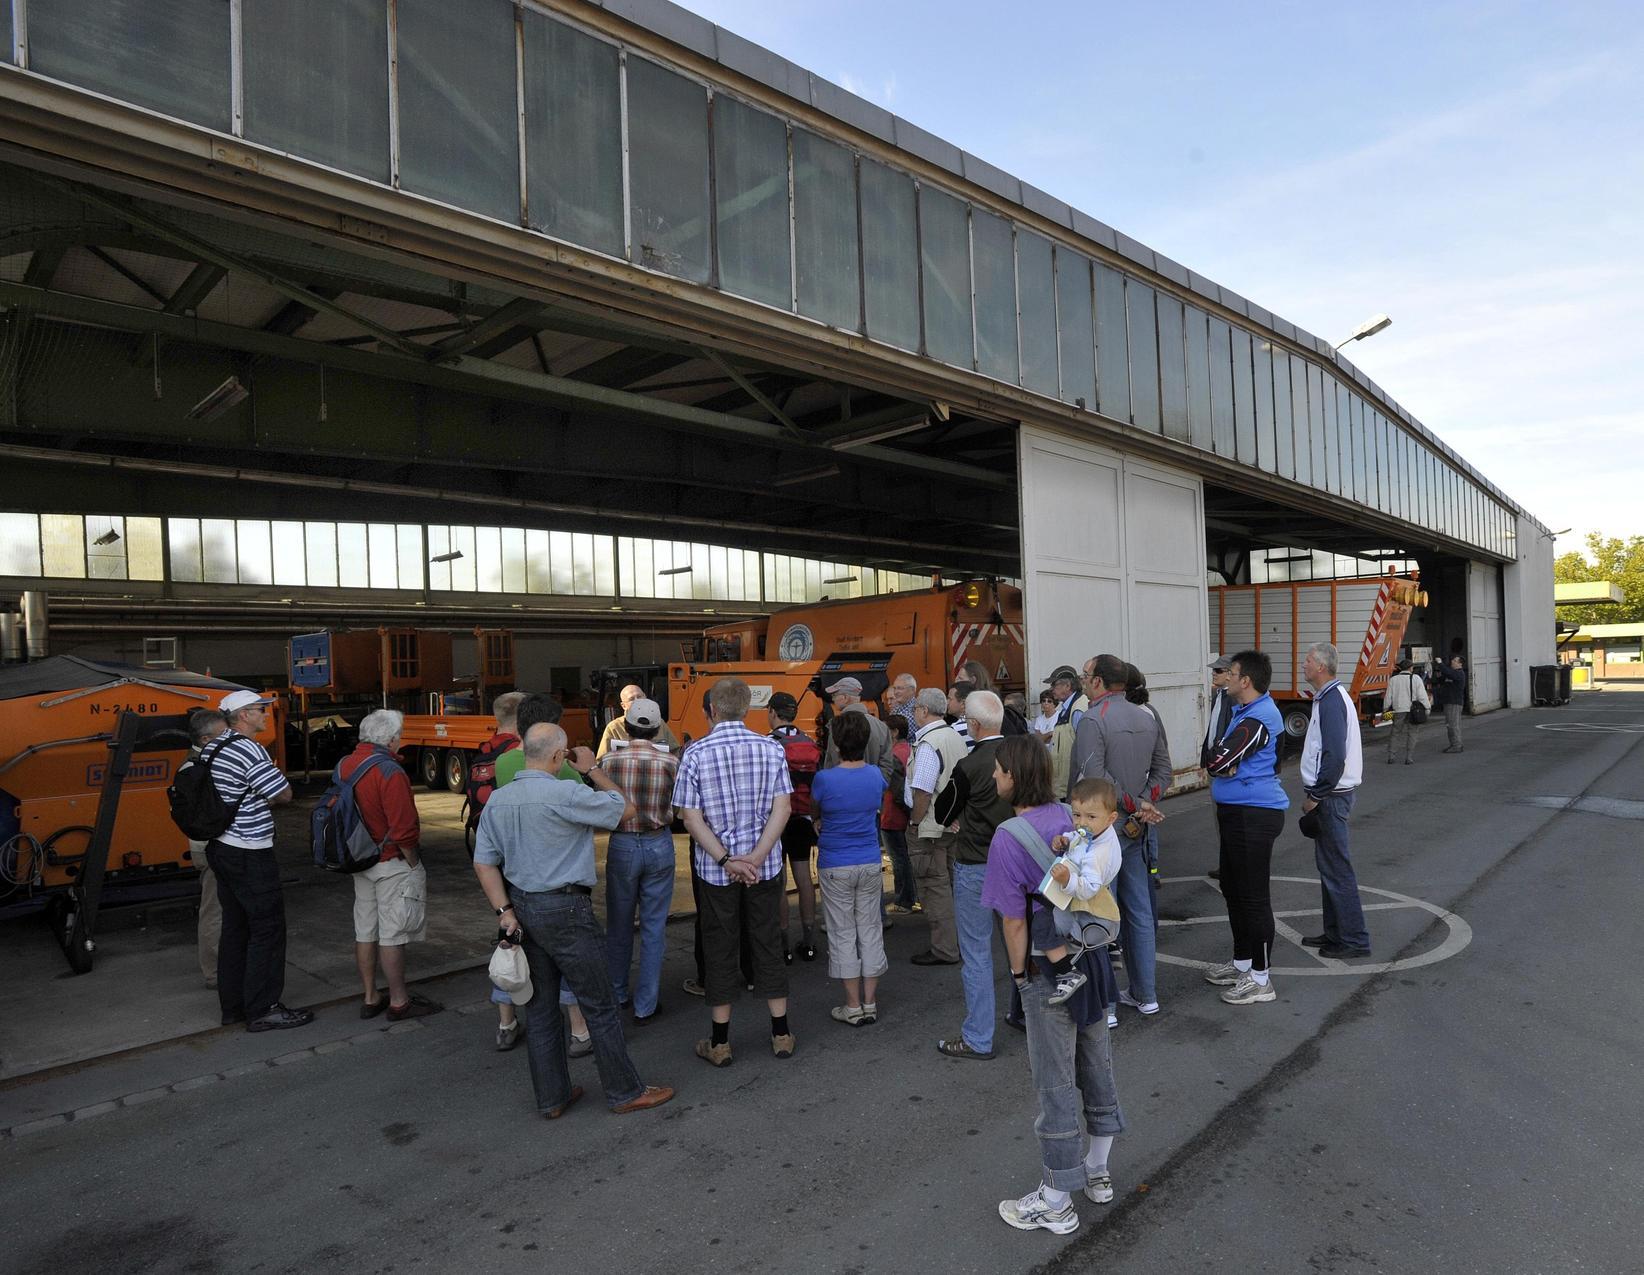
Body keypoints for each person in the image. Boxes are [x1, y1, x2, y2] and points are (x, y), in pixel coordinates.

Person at [474, 723, 674, 1118]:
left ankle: (553, 1097)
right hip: (566, 909)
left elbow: (485, 861)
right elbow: (626, 809)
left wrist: (505, 912)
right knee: (598, 1004)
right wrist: (592, 770)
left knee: (542, 1007)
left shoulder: (499, 800)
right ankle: (624, 1091)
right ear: (556, 756)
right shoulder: (567, 792)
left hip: (523, 909)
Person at [983, 737, 1125, 1235]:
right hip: (1095, 959)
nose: (995, 779)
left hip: (1050, 969)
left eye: (999, 772)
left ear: (1014, 777)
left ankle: (1056, 1199)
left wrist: (1020, 976)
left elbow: (1014, 923)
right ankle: (1098, 1171)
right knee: (1096, 1061)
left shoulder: (1008, 835)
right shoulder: (1078, 815)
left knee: (1055, 1082)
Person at [671, 677, 795, 1067]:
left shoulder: (694, 754)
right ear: (748, 709)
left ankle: (720, 1043)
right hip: (765, 867)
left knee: (720, 946)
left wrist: (727, 860)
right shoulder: (770, 749)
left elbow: (690, 818)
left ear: (710, 710)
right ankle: (781, 1034)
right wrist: (756, 858)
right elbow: (783, 809)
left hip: (716, 870)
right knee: (767, 942)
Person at [1070, 655, 1171, 1017]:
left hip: (1101, 831)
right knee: (1140, 911)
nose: (1082, 681)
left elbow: (1093, 780)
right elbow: (1164, 771)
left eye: (1085, 675)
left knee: (1099, 914)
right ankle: (1146, 994)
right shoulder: (1148, 715)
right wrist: (1144, 804)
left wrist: (1133, 803)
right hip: (1135, 827)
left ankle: (1106, 1004)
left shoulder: (1092, 719)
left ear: (1098, 682)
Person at [493, 692, 594, 1053]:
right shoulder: (560, 768)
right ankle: (580, 1030)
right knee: (567, 959)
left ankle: (506, 1022)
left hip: (513, 875)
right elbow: (592, 808)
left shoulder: (504, 763)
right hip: (557, 879)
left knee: (511, 945)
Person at [205, 690, 311, 1032]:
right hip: (249, 851)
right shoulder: (248, 748)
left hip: (221, 847)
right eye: (260, 710)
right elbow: (283, 793)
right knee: (267, 929)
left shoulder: (213, 747)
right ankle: (264, 1008)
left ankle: (234, 1007)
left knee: (235, 929)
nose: (267, 714)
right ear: (244, 715)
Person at [1202, 650, 1289, 1006]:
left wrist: (1223, 763)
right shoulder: (1246, 712)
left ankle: (1261, 978)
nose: (1225, 677)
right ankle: (1242, 963)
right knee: (1233, 888)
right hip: (1238, 810)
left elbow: (1215, 759)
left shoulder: (1258, 718)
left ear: (1245, 681)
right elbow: (1221, 759)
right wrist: (1224, 763)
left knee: (1253, 897)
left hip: (1254, 813)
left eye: (1231, 672)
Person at [345, 709, 440, 1023]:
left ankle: (371, 996)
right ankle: (399, 1001)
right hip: (391, 861)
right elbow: (404, 829)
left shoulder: (346, 764)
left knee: (365, 929)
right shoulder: (389, 771)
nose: (401, 740)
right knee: (393, 934)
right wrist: (414, 863)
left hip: (360, 860)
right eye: (399, 735)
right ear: (389, 738)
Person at [937, 689, 1013, 1061]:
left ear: (975, 724)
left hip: (976, 862)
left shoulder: (970, 765)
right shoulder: (1021, 755)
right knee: (1022, 942)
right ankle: (1026, 1015)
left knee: (977, 951)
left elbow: (942, 809)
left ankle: (979, 1037)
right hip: (1017, 863)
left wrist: (956, 817)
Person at [598, 697, 680, 1025]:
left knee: (618, 924)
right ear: (658, 728)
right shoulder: (672, 764)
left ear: (626, 726)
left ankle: (617, 992)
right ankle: (647, 1003)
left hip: (622, 845)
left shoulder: (608, 764)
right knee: (653, 926)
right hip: (659, 842)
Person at [810, 711, 890, 1025]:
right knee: (870, 930)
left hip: (835, 862)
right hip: (869, 859)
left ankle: (852, 1005)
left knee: (842, 933)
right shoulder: (874, 775)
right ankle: (870, 1002)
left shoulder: (824, 778)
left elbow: (815, 810)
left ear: (837, 743)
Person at [1299, 643, 1370, 959]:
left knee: (1337, 869)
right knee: (1329, 866)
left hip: (1331, 796)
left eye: (1308, 660)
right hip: (1334, 794)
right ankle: (1335, 933)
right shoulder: (1329, 698)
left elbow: (1334, 756)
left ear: (1322, 667)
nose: (1304, 664)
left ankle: (1353, 940)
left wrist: (1316, 795)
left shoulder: (1331, 701)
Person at [472, 691, 525, 1049]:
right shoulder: (517, 757)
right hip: (523, 861)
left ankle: (506, 1022)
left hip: (494, 862)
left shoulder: (483, 753)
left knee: (507, 933)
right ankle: (576, 1026)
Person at [1037, 779, 1121, 1005]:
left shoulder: (1098, 855)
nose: (1081, 823)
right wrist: (1065, 839)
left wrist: (1067, 880)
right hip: (1091, 903)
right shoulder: (1098, 831)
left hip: (1083, 906)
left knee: (1042, 925)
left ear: (1112, 818)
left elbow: (1088, 889)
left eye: (1090, 817)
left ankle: (1067, 972)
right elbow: (1081, 837)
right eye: (1076, 815)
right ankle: (1113, 947)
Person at [906, 687, 967, 967]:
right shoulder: (954, 736)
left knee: (934, 888)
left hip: (930, 827)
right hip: (953, 822)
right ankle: (959, 944)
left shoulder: (929, 743)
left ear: (922, 710)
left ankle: (944, 949)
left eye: (916, 706)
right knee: (952, 886)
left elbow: (922, 791)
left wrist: (915, 823)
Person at [767, 692, 820, 963]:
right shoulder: (809, 742)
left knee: (778, 882)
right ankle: (809, 943)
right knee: (804, 878)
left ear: (773, 713)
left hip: (777, 819)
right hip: (803, 818)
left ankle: (783, 946)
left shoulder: (769, 743)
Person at [182, 708, 228, 989]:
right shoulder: (198, 768)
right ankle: (214, 972)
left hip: (210, 844)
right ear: (206, 738)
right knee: (214, 910)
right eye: (224, 734)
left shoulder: (200, 762)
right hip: (209, 846)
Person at [820, 675, 896, 785]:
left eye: (835, 695)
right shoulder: (881, 726)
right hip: (873, 794)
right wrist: (879, 788)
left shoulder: (838, 726)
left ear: (845, 697)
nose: (832, 699)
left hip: (843, 792)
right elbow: (887, 763)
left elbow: (832, 762)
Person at [880, 713, 919, 914]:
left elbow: (896, 792)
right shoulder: (911, 750)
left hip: (893, 816)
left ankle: (903, 901)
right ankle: (914, 897)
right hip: (907, 816)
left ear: (894, 732)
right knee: (908, 858)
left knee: (899, 860)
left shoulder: (893, 755)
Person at [596, 683, 680, 758]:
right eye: (631, 699)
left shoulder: (659, 722)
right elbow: (602, 760)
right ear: (623, 706)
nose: (637, 701)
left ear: (646, 697)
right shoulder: (614, 727)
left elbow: (675, 751)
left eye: (639, 697)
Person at [1044, 665, 1088, 799]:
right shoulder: (1065, 708)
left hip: (1074, 786)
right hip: (1064, 786)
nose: (1051, 689)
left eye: (1054, 685)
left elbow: (1085, 748)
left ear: (1067, 686)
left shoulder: (1078, 709)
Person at [1383, 656, 1431, 765]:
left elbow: (1388, 696)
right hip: (1413, 710)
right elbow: (1422, 695)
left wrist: (1385, 708)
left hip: (1399, 710)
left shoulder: (1393, 679)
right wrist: (1427, 707)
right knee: (1412, 733)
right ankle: (1409, 757)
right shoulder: (1416, 678)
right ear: (1410, 668)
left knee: (1395, 733)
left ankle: (1391, 756)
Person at [1432, 654, 1467, 753]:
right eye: (1452, 660)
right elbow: (1442, 678)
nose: (1452, 661)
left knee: (1453, 724)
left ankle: (1457, 745)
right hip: (1448, 702)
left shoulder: (1459, 673)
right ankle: (1454, 744)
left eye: (1455, 661)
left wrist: (1440, 663)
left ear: (1460, 664)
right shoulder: (1452, 673)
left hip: (1454, 702)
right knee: (1450, 724)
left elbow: (1448, 673)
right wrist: (1438, 670)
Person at [946, 683, 974, 748]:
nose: (947, 702)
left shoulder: (956, 729)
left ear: (963, 704)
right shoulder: (980, 722)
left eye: (950, 699)